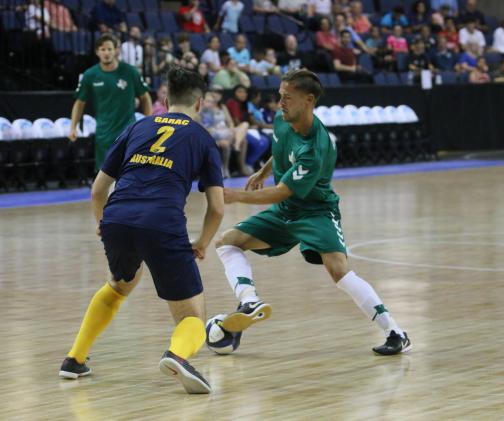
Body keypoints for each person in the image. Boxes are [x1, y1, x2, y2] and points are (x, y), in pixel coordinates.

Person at [215, 69, 411, 355]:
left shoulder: (317, 147)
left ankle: (395, 331)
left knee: (338, 270)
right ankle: (249, 301)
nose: (280, 103)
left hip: (315, 212)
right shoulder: (283, 119)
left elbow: (284, 190)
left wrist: (235, 196)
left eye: (287, 98)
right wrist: (262, 170)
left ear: (308, 100)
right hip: (285, 211)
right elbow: (280, 146)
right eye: (280, 96)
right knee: (227, 241)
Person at [59, 66, 225, 395]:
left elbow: (97, 190)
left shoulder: (139, 126)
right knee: (194, 316)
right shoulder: (202, 138)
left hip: (118, 216)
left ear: (164, 99)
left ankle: (74, 359)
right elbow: (217, 207)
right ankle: (178, 355)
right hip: (162, 220)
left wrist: (102, 224)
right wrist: (203, 242)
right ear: (200, 103)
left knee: (121, 283)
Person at [69, 34, 152, 172]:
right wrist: (73, 127)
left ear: (116, 50)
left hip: (128, 133)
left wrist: (148, 123)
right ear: (97, 52)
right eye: (102, 49)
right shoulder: (90, 75)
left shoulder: (130, 71)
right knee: (105, 177)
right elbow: (79, 103)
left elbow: (145, 98)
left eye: (109, 49)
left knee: (129, 173)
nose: (106, 53)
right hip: (104, 134)